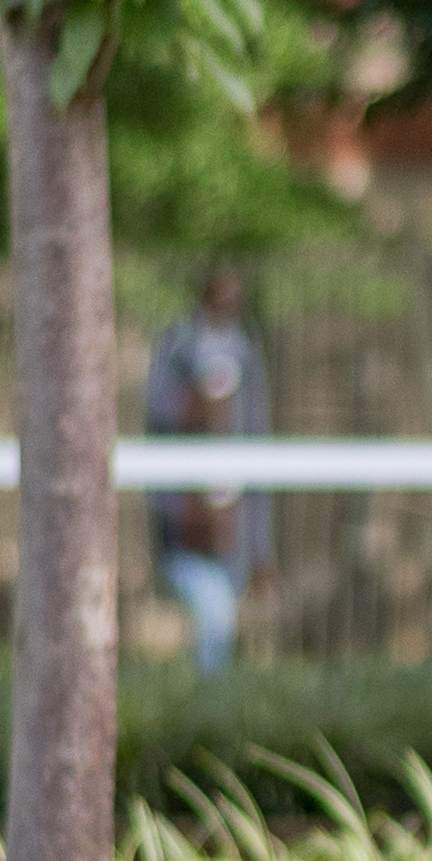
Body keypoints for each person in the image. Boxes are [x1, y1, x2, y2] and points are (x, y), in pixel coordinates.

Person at [140, 264, 265, 668]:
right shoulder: (178, 345)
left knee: (219, 616)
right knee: (209, 609)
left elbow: (254, 426)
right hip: (188, 523)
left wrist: (259, 548)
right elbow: (158, 412)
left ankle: (210, 690)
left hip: (228, 516)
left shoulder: (245, 348)